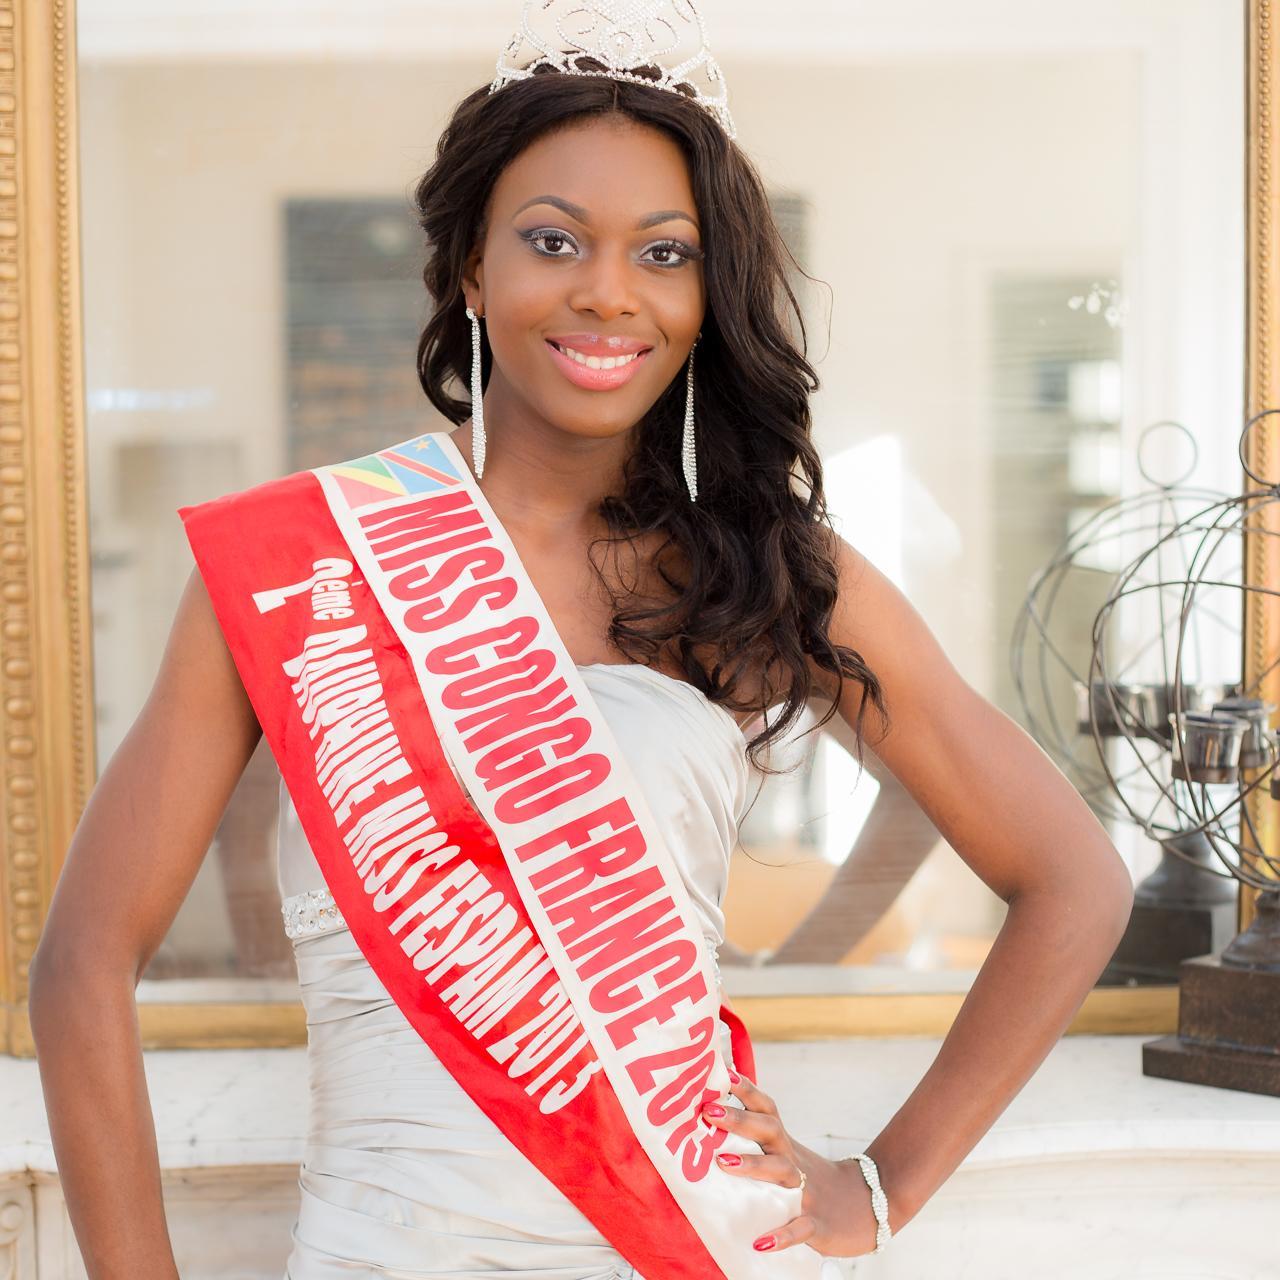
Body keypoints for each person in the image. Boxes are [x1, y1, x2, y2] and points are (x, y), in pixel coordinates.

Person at [27, 3, 1135, 1278]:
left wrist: (877, 1184)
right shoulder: (308, 564)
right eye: (553, 241)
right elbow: (83, 965)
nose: (609, 292)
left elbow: (1074, 880)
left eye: (663, 253)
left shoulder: (767, 567)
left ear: (707, 290)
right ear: (468, 270)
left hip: (678, 1237)